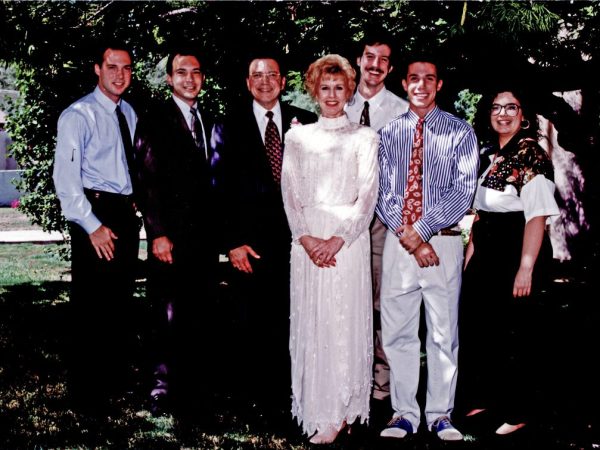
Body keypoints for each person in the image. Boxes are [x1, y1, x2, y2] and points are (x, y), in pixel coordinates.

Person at [376, 54, 479, 441]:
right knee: (398, 331)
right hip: (399, 243)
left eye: (429, 78)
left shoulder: (460, 132)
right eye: (414, 78)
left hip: (443, 243)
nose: (421, 85)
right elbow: (382, 192)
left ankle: (440, 415)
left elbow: (462, 191)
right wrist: (409, 236)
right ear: (404, 83)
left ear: (439, 85)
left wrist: (420, 230)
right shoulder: (389, 134)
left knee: (442, 332)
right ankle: (404, 414)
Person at [281, 54, 379, 445]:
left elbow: (367, 197)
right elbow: (290, 194)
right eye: (325, 88)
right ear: (314, 91)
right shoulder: (297, 137)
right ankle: (318, 407)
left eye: (340, 87)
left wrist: (337, 240)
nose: (333, 95)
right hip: (307, 243)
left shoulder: (365, 137)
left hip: (347, 243)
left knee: (344, 321)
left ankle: (345, 409)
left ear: (350, 90)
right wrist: (306, 239)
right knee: (315, 320)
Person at [456, 86, 559, 436]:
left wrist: (526, 267)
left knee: (517, 330)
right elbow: (482, 214)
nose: (503, 114)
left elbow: (536, 216)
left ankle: (520, 410)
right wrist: (471, 258)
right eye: (496, 108)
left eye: (511, 107)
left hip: (516, 248)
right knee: (483, 326)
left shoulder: (531, 154)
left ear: (523, 114)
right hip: (487, 250)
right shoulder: (492, 155)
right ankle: (487, 398)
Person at [219, 51, 317, 416]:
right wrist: (232, 242)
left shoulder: (307, 122)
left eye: (272, 75)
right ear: (248, 82)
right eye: (257, 75)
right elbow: (218, 186)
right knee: (251, 321)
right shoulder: (227, 125)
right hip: (249, 244)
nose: (265, 82)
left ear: (283, 81)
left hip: (296, 241)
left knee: (292, 319)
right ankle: (253, 401)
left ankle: (291, 396)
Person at [133, 46, 223, 421]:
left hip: (203, 239)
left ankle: (195, 387)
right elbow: (146, 180)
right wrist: (157, 232)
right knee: (166, 312)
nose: (189, 79)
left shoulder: (209, 119)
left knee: (198, 311)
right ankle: (161, 389)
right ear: (169, 79)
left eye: (196, 72)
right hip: (169, 238)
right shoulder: (154, 119)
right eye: (181, 72)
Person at [52, 41, 139, 412]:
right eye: (112, 67)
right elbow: (66, 178)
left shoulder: (128, 113)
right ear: (97, 69)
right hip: (95, 214)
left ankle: (113, 383)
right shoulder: (78, 116)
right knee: (91, 306)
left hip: (124, 215)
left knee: (118, 303)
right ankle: (86, 395)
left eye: (126, 68)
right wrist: (92, 225)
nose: (120, 75)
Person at [345, 29, 408, 413]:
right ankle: (349, 380)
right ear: (359, 60)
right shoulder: (337, 102)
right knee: (347, 301)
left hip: (383, 222)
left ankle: (381, 388)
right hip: (343, 222)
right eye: (370, 56)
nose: (375, 65)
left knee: (383, 304)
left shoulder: (402, 111)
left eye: (383, 60)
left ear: (390, 68)